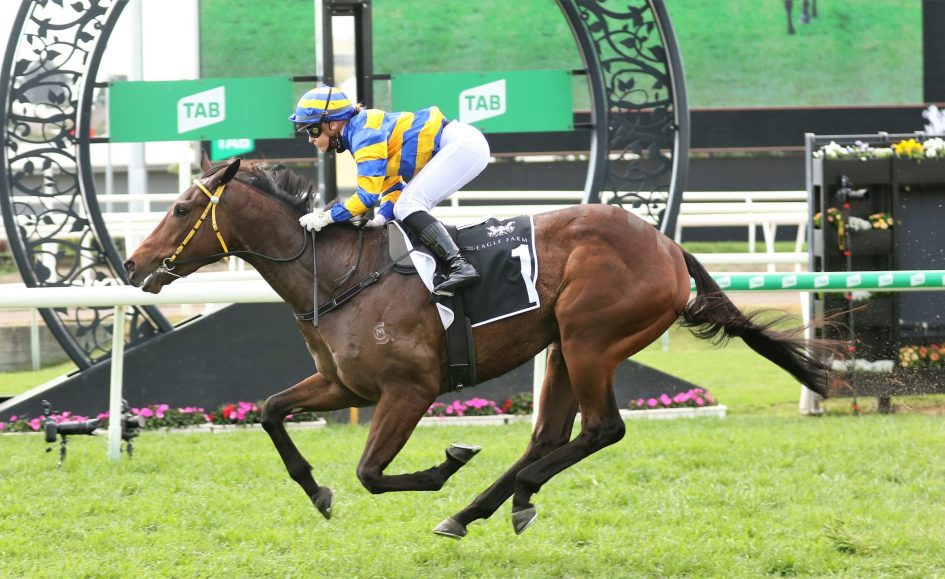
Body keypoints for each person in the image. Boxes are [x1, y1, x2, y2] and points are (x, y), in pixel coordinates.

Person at [292, 85, 489, 296]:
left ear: (333, 124)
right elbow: (393, 187)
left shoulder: (364, 135)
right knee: (405, 205)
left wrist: (326, 216)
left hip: (462, 146)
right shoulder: (359, 131)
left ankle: (459, 265)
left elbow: (366, 197)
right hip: (461, 143)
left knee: (409, 205)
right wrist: (379, 221)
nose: (310, 139)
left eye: (312, 130)